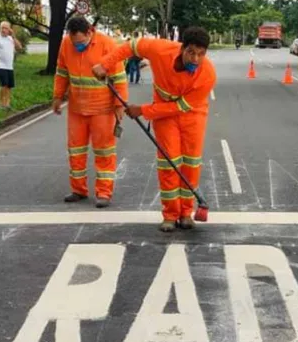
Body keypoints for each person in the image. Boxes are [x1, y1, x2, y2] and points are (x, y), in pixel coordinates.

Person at [93, 26, 217, 232]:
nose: (196, 59)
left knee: (190, 164)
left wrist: (142, 110)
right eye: (191, 52)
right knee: (169, 162)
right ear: (182, 48)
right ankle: (169, 214)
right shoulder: (161, 50)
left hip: (192, 115)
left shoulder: (207, 74)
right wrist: (105, 64)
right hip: (164, 114)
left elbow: (180, 107)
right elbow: (131, 47)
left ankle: (186, 213)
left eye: (201, 54)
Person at [52, 17, 126, 208]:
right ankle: (78, 189)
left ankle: (104, 192)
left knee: (104, 151)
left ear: (90, 32)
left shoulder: (106, 44)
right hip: (77, 108)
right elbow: (61, 72)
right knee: (75, 151)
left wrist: (119, 106)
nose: (77, 46)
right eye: (74, 42)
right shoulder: (66, 44)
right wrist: (57, 97)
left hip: (102, 109)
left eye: (81, 42)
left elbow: (118, 77)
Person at [0, 21, 22, 110]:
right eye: (2, 27)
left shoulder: (10, 39)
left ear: (9, 29)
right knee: (4, 84)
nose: (3, 30)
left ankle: (7, 103)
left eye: (6, 28)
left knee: (9, 86)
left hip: (9, 66)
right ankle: (1, 103)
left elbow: (19, 47)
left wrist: (13, 36)